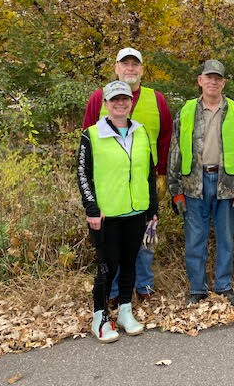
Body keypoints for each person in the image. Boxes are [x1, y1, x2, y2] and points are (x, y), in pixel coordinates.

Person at [83, 47, 172, 303]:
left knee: (145, 238)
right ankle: (112, 293)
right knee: (112, 243)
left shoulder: (157, 99)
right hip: (108, 187)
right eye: (125, 64)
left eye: (135, 65)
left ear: (142, 69)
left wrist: (162, 173)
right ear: (116, 68)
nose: (130, 69)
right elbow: (86, 143)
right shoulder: (98, 98)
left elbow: (165, 137)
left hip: (146, 183)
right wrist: (90, 194)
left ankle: (143, 285)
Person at [167, 59, 234, 306]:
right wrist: (175, 191)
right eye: (209, 77)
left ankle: (224, 286)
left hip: (226, 183)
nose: (213, 82)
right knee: (195, 239)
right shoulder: (185, 112)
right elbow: (175, 152)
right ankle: (197, 289)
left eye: (218, 78)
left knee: (226, 238)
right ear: (200, 81)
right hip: (194, 184)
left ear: (224, 82)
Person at [77, 80, 158, 342]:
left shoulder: (141, 132)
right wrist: (91, 207)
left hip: (136, 211)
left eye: (124, 99)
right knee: (106, 267)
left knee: (129, 263)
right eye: (115, 100)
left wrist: (152, 208)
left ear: (130, 102)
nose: (120, 104)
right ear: (106, 104)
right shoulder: (92, 134)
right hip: (106, 215)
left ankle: (124, 310)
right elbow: (83, 174)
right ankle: (99, 317)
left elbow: (149, 172)